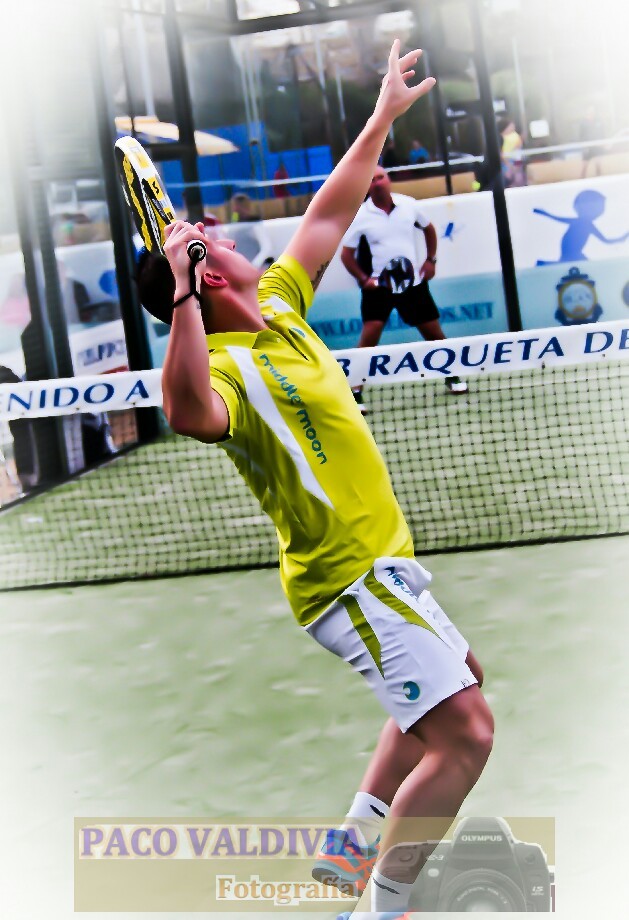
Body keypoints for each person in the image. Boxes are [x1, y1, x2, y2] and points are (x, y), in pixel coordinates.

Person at [138, 41, 493, 919]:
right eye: (217, 242)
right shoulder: (221, 368)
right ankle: (381, 910)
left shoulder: (283, 307)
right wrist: (180, 295)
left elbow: (331, 210)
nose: (230, 239)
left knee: (455, 681)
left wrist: (379, 118)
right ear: (206, 274)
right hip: (346, 579)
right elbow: (185, 411)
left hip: (385, 565)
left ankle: (346, 855)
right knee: (465, 733)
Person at [341, 165, 468, 409]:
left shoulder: (409, 205)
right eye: (372, 179)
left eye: (381, 177)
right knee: (369, 337)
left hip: (412, 285)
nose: (377, 182)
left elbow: (429, 229)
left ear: (388, 180)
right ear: (367, 186)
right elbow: (346, 255)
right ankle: (355, 391)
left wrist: (430, 261)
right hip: (380, 288)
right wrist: (364, 279)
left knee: (434, 334)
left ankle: (452, 376)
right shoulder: (360, 216)